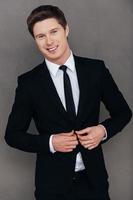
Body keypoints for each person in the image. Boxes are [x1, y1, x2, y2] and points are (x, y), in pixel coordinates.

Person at [5, 5, 132, 200]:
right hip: (51, 186)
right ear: (35, 40)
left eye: (54, 31)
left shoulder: (95, 70)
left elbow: (123, 112)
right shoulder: (29, 83)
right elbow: (12, 135)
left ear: (66, 29)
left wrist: (102, 131)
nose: (49, 41)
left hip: (94, 183)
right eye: (41, 36)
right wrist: (50, 142)